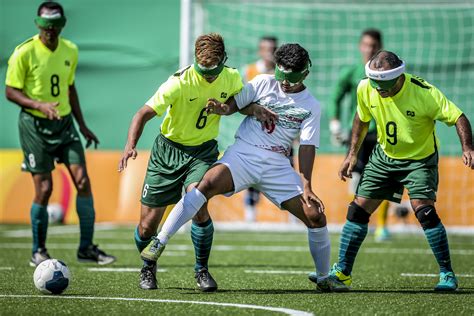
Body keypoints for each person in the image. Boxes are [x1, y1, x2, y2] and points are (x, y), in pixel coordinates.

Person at [140, 43, 338, 292]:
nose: (284, 83)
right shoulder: (264, 82)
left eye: (291, 77)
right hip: (243, 154)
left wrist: (307, 185)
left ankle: (323, 277)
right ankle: (160, 241)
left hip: (277, 164)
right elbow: (235, 104)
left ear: (305, 74)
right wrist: (225, 109)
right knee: (206, 185)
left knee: (315, 215)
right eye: (281, 74)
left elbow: (307, 147)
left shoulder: (312, 106)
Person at [329, 50, 473, 292]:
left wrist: (468, 147)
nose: (378, 88)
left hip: (419, 160)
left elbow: (458, 117)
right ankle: (342, 273)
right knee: (357, 210)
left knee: (424, 212)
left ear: (398, 77)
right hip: (383, 158)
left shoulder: (424, 93)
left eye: (383, 83)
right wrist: (351, 154)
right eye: (374, 82)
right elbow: (361, 118)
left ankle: (447, 275)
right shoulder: (366, 87)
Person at [119, 33, 249, 291]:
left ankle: (201, 270)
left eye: (214, 72)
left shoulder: (232, 76)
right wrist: (130, 145)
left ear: (224, 60)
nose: (209, 77)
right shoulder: (178, 83)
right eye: (204, 72)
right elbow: (143, 113)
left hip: (203, 152)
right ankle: (148, 268)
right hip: (167, 152)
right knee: (146, 226)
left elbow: (241, 101)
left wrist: (241, 108)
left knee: (198, 202)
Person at [5, 1, 116, 267]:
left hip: (65, 125)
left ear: (62, 25)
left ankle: (86, 247)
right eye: (45, 25)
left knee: (83, 182)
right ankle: (38, 250)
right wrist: (39, 105)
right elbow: (10, 91)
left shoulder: (70, 50)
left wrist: (82, 124)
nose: (50, 30)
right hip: (35, 127)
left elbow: (70, 88)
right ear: (38, 25)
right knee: (44, 188)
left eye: (55, 25)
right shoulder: (24, 53)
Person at [328, 29, 391, 241]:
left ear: (379, 46)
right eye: (365, 44)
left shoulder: (390, 71)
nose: (369, 49)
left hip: (383, 134)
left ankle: (382, 227)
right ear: (360, 46)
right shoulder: (352, 71)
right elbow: (335, 96)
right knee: (354, 178)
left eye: (373, 45)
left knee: (385, 180)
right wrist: (335, 123)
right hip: (358, 135)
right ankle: (354, 221)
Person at [240, 36, 278, 222]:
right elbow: (239, 102)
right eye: (266, 48)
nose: (270, 52)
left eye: (273, 48)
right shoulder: (249, 72)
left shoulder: (283, 74)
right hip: (255, 134)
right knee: (251, 173)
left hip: (279, 135)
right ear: (260, 51)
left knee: (286, 170)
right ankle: (250, 214)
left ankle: (295, 217)